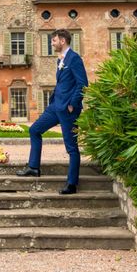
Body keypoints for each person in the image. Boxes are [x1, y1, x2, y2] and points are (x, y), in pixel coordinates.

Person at [16, 29, 88, 194]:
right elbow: (62, 83)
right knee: (34, 130)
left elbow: (82, 84)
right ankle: (33, 167)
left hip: (68, 109)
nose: (52, 43)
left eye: (54, 40)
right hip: (55, 107)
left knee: (71, 147)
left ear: (62, 41)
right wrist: (54, 101)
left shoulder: (75, 58)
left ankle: (72, 184)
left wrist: (73, 104)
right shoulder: (60, 60)